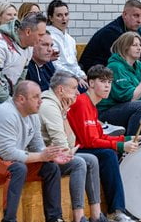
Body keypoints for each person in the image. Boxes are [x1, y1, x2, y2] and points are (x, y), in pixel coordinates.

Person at [0, 81, 68, 222]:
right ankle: (9, 219)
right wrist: (41, 156)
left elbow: (38, 146)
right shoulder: (6, 113)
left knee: (51, 168)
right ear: (21, 99)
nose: (40, 101)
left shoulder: (33, 115)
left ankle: (55, 218)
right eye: (36, 97)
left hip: (7, 163)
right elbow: (8, 153)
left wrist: (51, 156)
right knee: (17, 169)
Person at [67, 65, 141, 222]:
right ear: (91, 83)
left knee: (110, 152)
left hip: (86, 147)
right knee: (108, 154)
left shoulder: (92, 106)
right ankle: (116, 210)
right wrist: (120, 146)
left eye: (109, 82)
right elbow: (89, 141)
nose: (107, 85)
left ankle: (125, 207)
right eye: (102, 81)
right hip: (76, 150)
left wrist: (127, 139)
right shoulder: (82, 103)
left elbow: (101, 136)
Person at [38, 71, 107, 222]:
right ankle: (79, 217)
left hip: (54, 154)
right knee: (78, 162)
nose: (78, 92)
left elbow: (70, 142)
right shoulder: (49, 106)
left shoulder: (59, 105)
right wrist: (68, 149)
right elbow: (64, 147)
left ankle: (96, 215)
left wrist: (64, 115)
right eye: (74, 88)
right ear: (61, 89)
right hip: (39, 157)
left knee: (91, 159)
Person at [97, 32, 141, 135]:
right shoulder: (115, 67)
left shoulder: (138, 65)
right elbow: (132, 98)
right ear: (125, 47)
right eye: (134, 45)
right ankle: (129, 144)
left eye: (140, 45)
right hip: (108, 112)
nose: (139, 48)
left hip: (130, 109)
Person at [79, 0, 141, 72]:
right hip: (93, 73)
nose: (139, 21)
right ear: (124, 15)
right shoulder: (112, 32)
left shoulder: (135, 31)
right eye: (136, 16)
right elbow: (120, 61)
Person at [46, 0, 88, 91]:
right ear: (51, 18)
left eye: (66, 14)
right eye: (59, 15)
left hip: (73, 76)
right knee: (83, 89)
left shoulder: (70, 39)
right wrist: (75, 78)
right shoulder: (49, 37)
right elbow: (56, 66)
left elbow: (74, 64)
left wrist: (82, 75)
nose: (64, 18)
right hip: (58, 79)